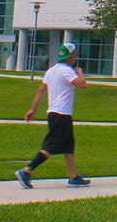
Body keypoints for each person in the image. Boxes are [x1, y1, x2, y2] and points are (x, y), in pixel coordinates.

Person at [17, 44, 90, 188]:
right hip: (62, 114)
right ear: (69, 56)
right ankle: (26, 171)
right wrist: (80, 72)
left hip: (53, 113)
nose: (75, 57)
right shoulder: (67, 71)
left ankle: (74, 177)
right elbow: (82, 84)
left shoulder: (51, 71)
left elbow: (41, 90)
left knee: (68, 145)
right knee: (52, 145)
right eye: (74, 55)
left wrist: (33, 109)